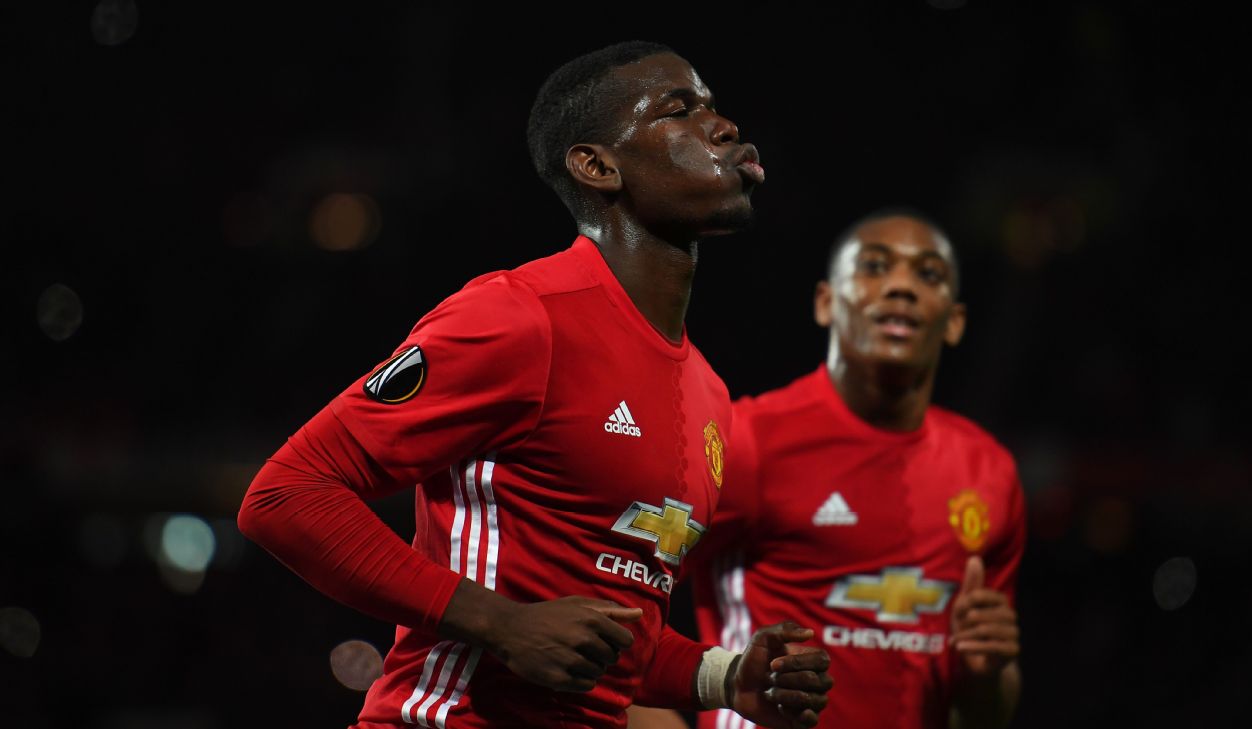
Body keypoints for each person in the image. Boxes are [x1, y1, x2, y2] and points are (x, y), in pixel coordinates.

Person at [237, 41, 832, 729]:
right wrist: (498, 622)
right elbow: (284, 495)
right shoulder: (521, 316)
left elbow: (606, 626)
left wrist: (721, 676)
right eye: (681, 110)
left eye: (715, 107)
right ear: (598, 165)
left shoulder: (710, 395)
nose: (723, 125)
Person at [628, 210, 1024, 729]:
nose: (901, 287)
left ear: (954, 321)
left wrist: (987, 673)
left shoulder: (987, 471)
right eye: (875, 267)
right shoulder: (747, 442)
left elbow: (983, 711)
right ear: (825, 303)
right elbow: (611, 603)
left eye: (927, 275)